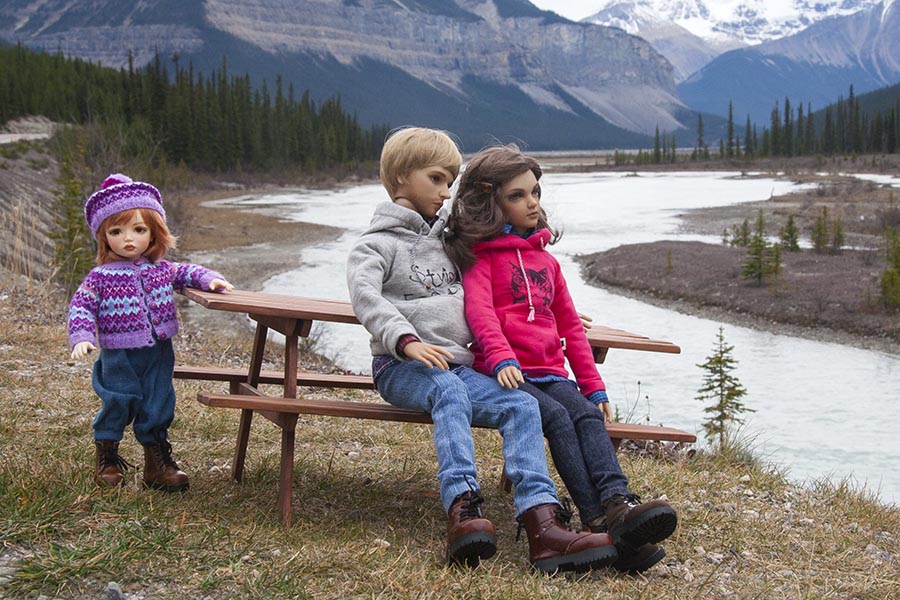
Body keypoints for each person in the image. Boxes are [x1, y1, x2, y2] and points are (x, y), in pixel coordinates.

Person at [347, 127, 617, 574]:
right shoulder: (374, 245)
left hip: (458, 364)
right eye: (436, 179)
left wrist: (542, 309)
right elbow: (366, 298)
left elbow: (500, 285)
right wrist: (406, 340)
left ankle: (542, 523)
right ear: (399, 179)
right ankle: (464, 509)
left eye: (451, 181)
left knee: (522, 404)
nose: (446, 191)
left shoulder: (451, 242)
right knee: (448, 392)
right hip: (399, 366)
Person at [444, 145, 678, 574]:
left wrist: (593, 385)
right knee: (554, 416)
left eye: (535, 192)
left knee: (587, 416)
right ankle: (597, 521)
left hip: (552, 372)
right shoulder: (480, 260)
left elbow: (570, 327)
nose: (533, 202)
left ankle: (617, 505)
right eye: (518, 196)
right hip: (509, 375)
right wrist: (499, 358)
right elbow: (480, 314)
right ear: (491, 202)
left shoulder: (547, 262)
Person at [68, 173, 233, 492]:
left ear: (154, 232)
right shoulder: (100, 277)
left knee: (158, 401)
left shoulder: (161, 269)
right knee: (118, 400)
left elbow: (188, 271)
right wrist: (82, 336)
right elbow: (81, 306)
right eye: (116, 231)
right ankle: (108, 456)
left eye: (139, 230)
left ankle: (156, 463)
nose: (128, 239)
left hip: (158, 350)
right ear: (104, 237)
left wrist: (210, 279)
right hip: (118, 353)